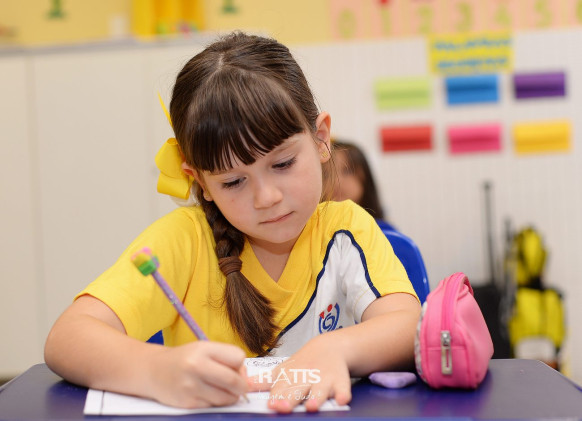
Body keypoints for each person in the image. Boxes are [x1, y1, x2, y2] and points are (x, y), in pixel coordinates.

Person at [44, 32, 420, 413]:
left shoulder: (346, 229)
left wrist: (336, 348)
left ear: (321, 139)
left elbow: (409, 327)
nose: (266, 197)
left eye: (283, 163)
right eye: (234, 182)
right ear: (200, 182)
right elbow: (68, 337)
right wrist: (157, 370)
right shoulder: (184, 240)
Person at [331, 140, 396, 232]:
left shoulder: (385, 234)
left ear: (365, 176)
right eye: (327, 174)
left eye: (347, 171)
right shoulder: (316, 234)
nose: (335, 180)